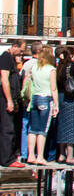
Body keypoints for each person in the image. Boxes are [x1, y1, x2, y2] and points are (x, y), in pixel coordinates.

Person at [25, 47, 58, 165]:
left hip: (35, 98)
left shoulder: (34, 68)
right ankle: (40, 156)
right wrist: (56, 105)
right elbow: (53, 88)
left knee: (33, 129)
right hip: (46, 98)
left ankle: (30, 155)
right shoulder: (51, 69)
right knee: (43, 129)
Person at [55, 46, 74, 164]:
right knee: (72, 127)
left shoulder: (59, 67)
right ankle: (70, 156)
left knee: (62, 126)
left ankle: (61, 154)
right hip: (71, 99)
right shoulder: (72, 67)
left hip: (61, 97)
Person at [0, 38, 25, 168]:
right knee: (7, 129)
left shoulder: (11, 59)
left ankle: (8, 156)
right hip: (5, 99)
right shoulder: (5, 57)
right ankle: (7, 159)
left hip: (11, 98)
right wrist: (9, 100)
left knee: (11, 128)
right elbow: (4, 79)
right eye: (20, 51)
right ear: (14, 46)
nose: (21, 54)